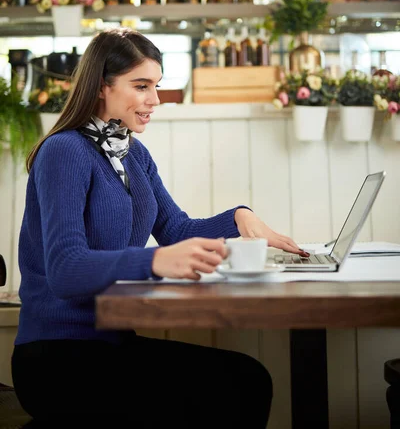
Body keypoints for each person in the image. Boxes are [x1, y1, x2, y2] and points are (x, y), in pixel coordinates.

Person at [12, 28, 309, 428]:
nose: (155, 100)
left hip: (111, 342)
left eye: (157, 85)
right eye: (142, 86)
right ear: (103, 87)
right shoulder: (64, 150)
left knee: (246, 379)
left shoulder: (133, 152)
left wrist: (238, 217)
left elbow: (175, 229)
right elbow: (65, 270)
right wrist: (156, 260)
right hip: (58, 357)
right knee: (238, 386)